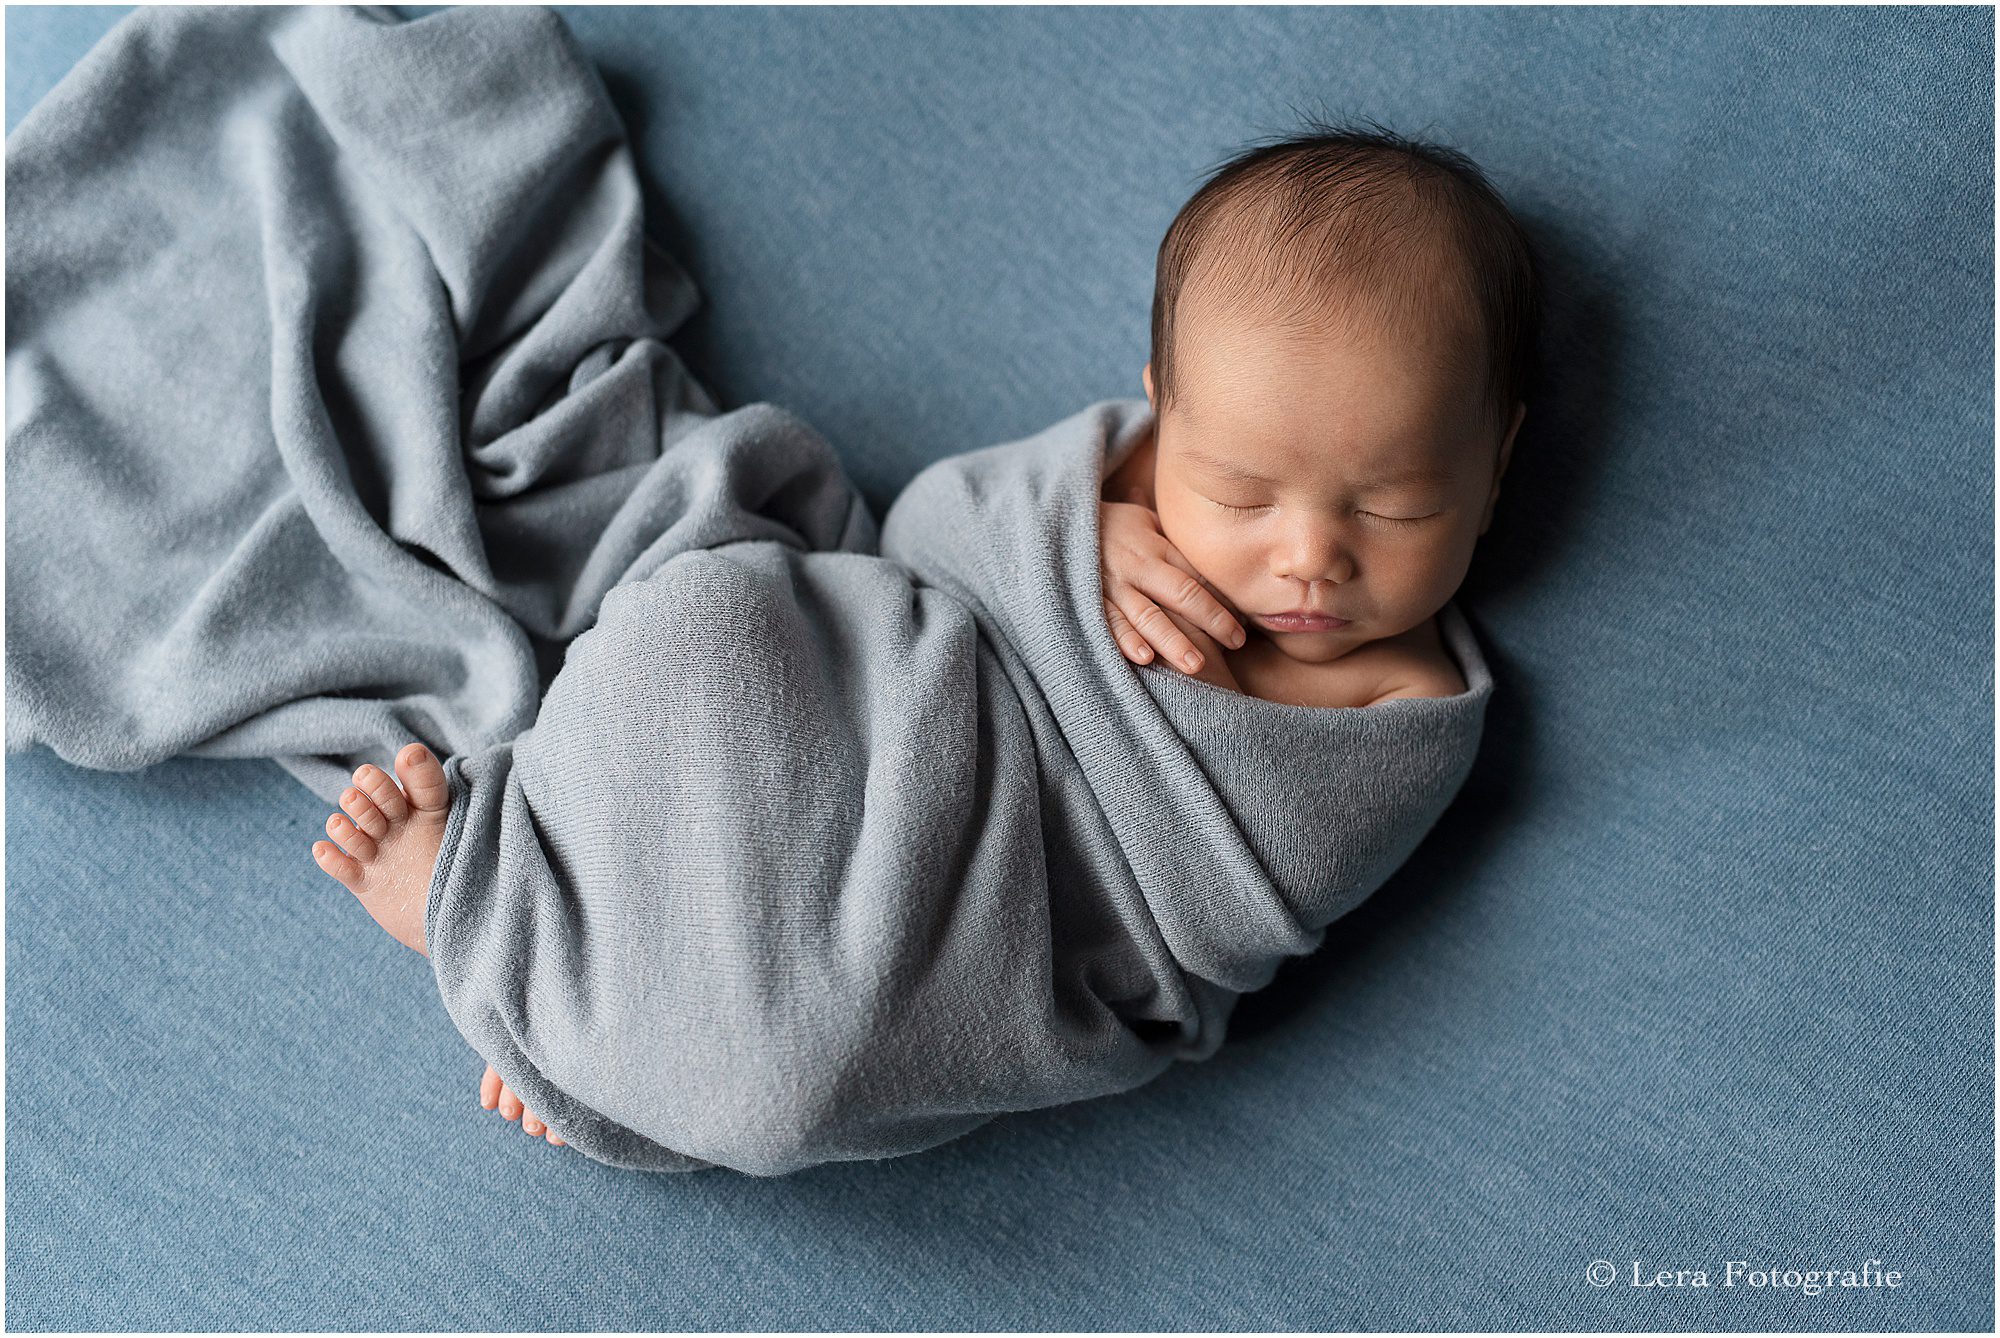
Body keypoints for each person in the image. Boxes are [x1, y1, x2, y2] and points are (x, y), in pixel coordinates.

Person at [310, 119, 1539, 1149]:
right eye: (1237, 495)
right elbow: (923, 534)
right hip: (905, 705)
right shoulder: (1119, 475)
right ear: (1168, 409)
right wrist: (1065, 543)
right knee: (713, 624)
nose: (1307, 554)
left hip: (1022, 907)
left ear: (1492, 467)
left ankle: (525, 966)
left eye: (1394, 507)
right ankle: (569, 946)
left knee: (810, 1046)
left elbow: (1199, 927)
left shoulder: (1407, 715)